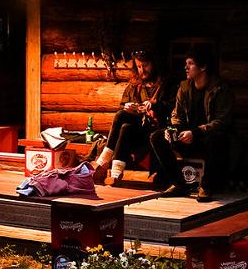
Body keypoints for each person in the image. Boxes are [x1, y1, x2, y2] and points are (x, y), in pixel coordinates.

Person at [148, 47, 235, 201]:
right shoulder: (184, 87)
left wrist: (195, 132)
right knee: (157, 136)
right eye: (185, 63)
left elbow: (222, 122)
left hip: (206, 137)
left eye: (190, 63)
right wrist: (172, 129)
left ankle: (206, 186)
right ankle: (178, 183)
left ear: (203, 67)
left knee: (215, 139)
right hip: (186, 136)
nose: (186, 67)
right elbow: (176, 115)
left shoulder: (220, 89)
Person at [91, 52, 171, 185]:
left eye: (145, 65)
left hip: (154, 129)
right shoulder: (134, 85)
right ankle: (116, 174)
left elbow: (173, 105)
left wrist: (154, 104)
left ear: (154, 64)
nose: (142, 70)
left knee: (121, 117)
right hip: (136, 129)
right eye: (139, 66)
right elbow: (122, 105)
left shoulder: (165, 84)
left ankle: (104, 160)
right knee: (124, 125)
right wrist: (127, 107)